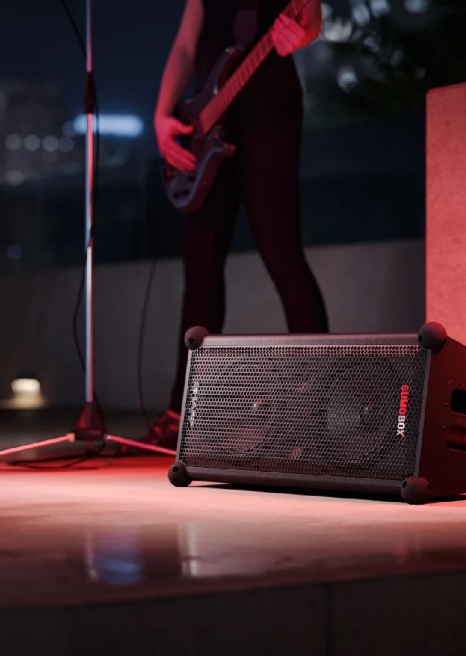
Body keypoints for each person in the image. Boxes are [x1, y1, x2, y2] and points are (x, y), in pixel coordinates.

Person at [140, 0, 329, 449]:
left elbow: (311, 18)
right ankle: (182, 411)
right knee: (200, 272)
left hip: (268, 101)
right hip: (205, 114)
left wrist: (303, 35)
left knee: (284, 256)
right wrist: (163, 116)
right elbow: (186, 45)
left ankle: (317, 405)